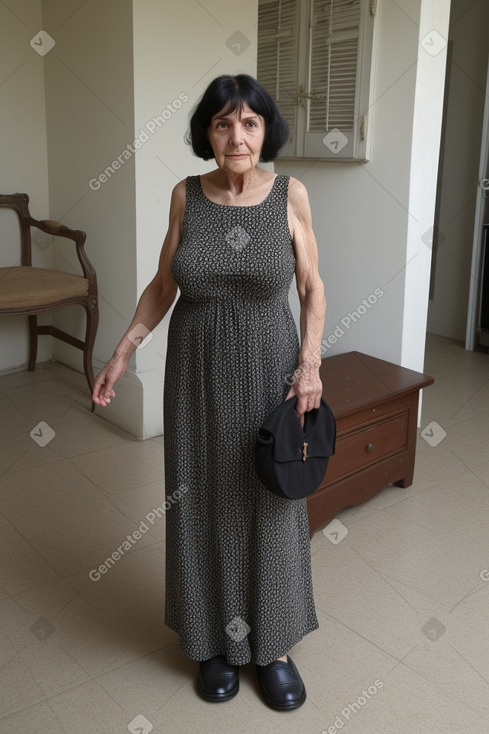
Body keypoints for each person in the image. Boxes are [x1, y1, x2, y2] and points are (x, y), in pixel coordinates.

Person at [92, 73, 326, 712]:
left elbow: (310, 288)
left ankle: (272, 646)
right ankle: (214, 642)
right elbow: (163, 287)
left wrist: (309, 366)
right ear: (208, 134)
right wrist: (121, 352)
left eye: (249, 123)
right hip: (195, 380)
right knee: (200, 503)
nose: (236, 135)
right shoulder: (185, 197)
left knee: (270, 502)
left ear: (265, 131)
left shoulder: (289, 196)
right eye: (223, 123)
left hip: (270, 376)